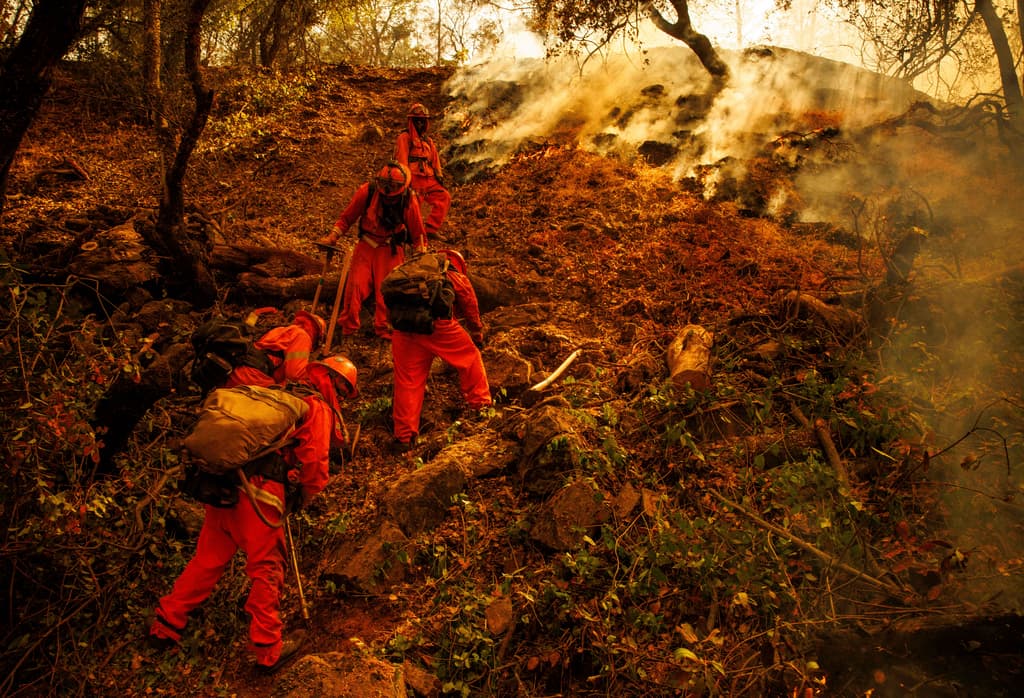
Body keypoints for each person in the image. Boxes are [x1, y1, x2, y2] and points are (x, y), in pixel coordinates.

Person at [148, 356, 357, 673]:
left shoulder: (277, 390)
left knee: (207, 560)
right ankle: (268, 649)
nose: (341, 397)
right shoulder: (316, 407)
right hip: (259, 494)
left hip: (226, 485)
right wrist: (305, 495)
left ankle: (165, 626)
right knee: (267, 567)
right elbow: (315, 461)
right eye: (343, 389)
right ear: (333, 381)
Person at [390, 248, 491, 450]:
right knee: (470, 358)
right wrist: (476, 331)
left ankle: (404, 437)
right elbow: (468, 300)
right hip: (437, 326)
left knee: (408, 381)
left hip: (403, 328)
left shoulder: (408, 272)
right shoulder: (450, 272)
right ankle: (482, 407)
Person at [320, 162, 428, 340]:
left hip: (390, 247)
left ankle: (384, 329)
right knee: (354, 286)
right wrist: (333, 236)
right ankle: (347, 328)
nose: (388, 196)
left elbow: (418, 233)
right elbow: (347, 218)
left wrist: (421, 256)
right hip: (367, 245)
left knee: (387, 290)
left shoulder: (408, 199)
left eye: (393, 191)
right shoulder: (367, 192)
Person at [224, 310, 326, 388]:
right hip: (254, 380)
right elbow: (295, 375)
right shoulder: (303, 336)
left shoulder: (281, 330)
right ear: (317, 335)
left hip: (238, 374)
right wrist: (313, 378)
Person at [394, 103, 450, 238]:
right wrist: (405, 182)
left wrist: (439, 176)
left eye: (422, 121)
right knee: (413, 207)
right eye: (417, 121)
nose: (419, 124)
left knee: (444, 196)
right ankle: (412, 234)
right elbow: (402, 160)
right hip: (414, 178)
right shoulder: (404, 138)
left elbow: (435, 161)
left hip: (429, 179)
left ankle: (430, 229)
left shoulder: (428, 141)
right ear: (411, 121)